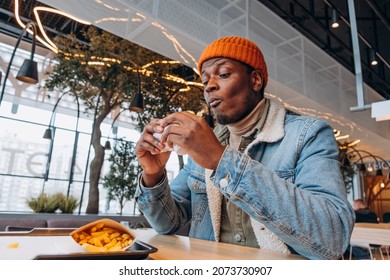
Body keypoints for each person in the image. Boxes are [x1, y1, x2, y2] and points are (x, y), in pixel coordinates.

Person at [134, 36, 355, 260]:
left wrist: (221, 160)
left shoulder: (308, 134)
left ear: (256, 80)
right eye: (205, 81)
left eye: (223, 74)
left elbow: (333, 238)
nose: (209, 86)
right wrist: (153, 174)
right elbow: (169, 225)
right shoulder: (204, 144)